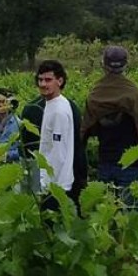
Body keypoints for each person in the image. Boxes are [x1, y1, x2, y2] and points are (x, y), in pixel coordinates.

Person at [81, 45, 138, 200]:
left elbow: (84, 131)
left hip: (105, 162)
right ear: (126, 65)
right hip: (132, 165)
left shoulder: (94, 94)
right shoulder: (135, 94)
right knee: (131, 215)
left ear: (103, 65)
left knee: (105, 218)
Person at [28, 60, 86, 203]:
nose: (43, 84)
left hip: (56, 187)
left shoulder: (59, 111)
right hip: (50, 184)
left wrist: (45, 185)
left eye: (48, 80)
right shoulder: (52, 104)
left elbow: (58, 153)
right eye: (40, 80)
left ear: (60, 81)